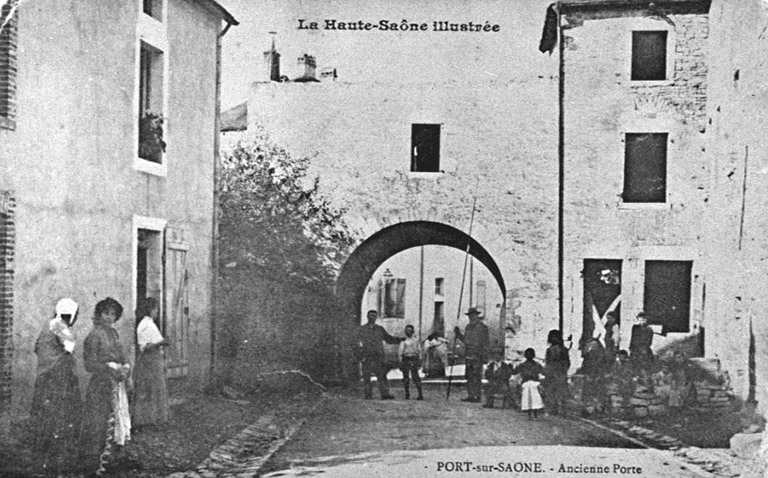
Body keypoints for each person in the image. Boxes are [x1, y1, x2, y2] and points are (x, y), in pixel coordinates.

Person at [29, 298, 84, 474]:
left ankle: (42, 458)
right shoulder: (60, 326)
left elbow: (36, 348)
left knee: (44, 416)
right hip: (59, 379)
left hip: (44, 377)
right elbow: (70, 347)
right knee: (60, 416)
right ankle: (55, 460)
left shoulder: (48, 325)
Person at [82, 297, 132, 475]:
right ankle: (95, 462)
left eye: (113, 314)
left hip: (116, 383)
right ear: (98, 314)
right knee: (99, 422)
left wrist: (125, 369)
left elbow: (121, 355)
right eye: (105, 313)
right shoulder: (94, 335)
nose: (109, 318)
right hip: (101, 385)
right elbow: (89, 364)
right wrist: (108, 368)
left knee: (119, 420)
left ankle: (114, 458)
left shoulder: (114, 333)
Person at [132, 297, 170, 429]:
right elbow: (145, 347)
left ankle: (153, 418)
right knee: (150, 388)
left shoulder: (148, 324)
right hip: (149, 360)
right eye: (156, 309)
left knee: (153, 388)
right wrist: (162, 342)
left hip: (152, 359)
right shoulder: (146, 324)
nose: (157, 312)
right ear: (151, 309)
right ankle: (148, 419)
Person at [353, 310, 403, 400]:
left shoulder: (379, 329)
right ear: (367, 316)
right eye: (370, 315)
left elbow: (388, 339)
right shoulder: (362, 329)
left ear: (376, 318)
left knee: (382, 375)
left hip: (378, 356)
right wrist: (360, 356)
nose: (372, 317)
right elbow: (354, 343)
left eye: (374, 316)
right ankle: (368, 395)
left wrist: (399, 340)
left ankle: (385, 394)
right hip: (367, 356)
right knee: (366, 376)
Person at [454, 307, 490, 403]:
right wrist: (458, 334)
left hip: (478, 355)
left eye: (473, 315)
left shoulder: (482, 328)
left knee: (476, 376)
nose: (471, 317)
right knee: (469, 376)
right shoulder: (468, 327)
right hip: (469, 354)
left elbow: (486, 343)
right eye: (470, 316)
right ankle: (471, 395)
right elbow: (466, 340)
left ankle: (477, 396)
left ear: (477, 316)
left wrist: (485, 356)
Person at [511, 348, 545, 420]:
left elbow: (543, 372)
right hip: (525, 383)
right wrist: (511, 366)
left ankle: (535, 415)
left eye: (531, 354)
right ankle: (529, 414)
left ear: (534, 355)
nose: (529, 356)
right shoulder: (522, 365)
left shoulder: (537, 365)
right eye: (528, 354)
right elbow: (514, 372)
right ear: (525, 355)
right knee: (527, 398)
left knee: (535, 399)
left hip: (535, 383)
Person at [543, 329, 570, 416]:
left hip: (559, 373)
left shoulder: (563, 349)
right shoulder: (550, 350)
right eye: (552, 337)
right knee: (552, 391)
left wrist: (562, 370)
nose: (554, 339)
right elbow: (548, 362)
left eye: (556, 337)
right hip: (553, 373)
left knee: (560, 392)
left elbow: (567, 362)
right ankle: (554, 409)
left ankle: (562, 410)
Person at [398, 324, 423, 400]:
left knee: (415, 376)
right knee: (405, 377)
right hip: (406, 358)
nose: (408, 332)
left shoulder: (416, 340)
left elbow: (419, 350)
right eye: (406, 331)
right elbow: (400, 352)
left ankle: (420, 394)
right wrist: (400, 361)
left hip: (414, 358)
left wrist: (420, 360)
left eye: (410, 330)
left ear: (413, 331)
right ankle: (407, 394)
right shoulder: (403, 341)